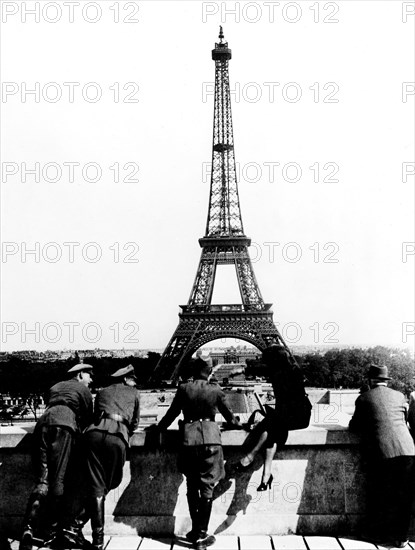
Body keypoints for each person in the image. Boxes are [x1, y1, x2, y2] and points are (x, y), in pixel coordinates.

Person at [154, 357, 240, 550]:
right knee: (207, 487)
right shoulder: (216, 390)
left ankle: (195, 531)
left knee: (192, 486)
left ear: (193, 373)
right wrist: (238, 424)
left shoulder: (184, 389)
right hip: (211, 438)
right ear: (208, 372)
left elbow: (172, 413)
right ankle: (202, 534)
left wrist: (159, 427)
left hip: (189, 440)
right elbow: (230, 417)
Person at [19, 363, 94, 550]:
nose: (91, 380)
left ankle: (28, 528)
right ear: (79, 375)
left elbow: (50, 406)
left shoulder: (55, 387)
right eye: (89, 375)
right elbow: (87, 420)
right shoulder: (82, 390)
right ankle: (53, 531)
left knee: (43, 480)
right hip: (64, 426)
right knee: (59, 480)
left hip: (43, 424)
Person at [349, 364, 415, 548]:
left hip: (383, 451)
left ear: (370, 380)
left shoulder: (364, 398)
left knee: (381, 495)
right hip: (408, 450)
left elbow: (355, 426)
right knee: (404, 497)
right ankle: (401, 538)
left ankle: (378, 535)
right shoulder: (400, 396)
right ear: (386, 381)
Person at [81, 364, 140, 550]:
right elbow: (135, 423)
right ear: (125, 379)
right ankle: (79, 526)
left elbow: (93, 415)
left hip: (93, 435)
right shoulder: (134, 393)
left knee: (97, 486)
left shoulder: (102, 392)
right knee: (112, 482)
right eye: (132, 379)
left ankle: (93, 538)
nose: (134, 382)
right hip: (117, 436)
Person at [237, 344, 304, 491]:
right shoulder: (290, 371)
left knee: (271, 423)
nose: (265, 363)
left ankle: (251, 455)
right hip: (288, 415)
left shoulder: (283, 374)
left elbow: (290, 402)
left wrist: (242, 370)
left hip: (297, 415)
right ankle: (266, 475)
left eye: (267, 360)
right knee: (272, 429)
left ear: (274, 361)